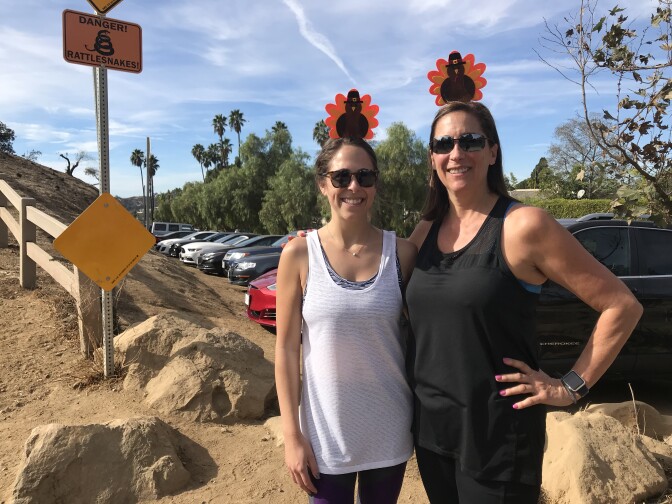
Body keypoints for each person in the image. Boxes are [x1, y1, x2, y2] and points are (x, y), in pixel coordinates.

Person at [405, 101, 643, 503]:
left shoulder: (524, 226)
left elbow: (622, 305)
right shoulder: (425, 230)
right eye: (444, 143)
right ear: (432, 158)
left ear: (493, 151)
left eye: (471, 141)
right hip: (432, 434)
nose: (457, 153)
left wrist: (570, 387)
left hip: (499, 442)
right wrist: (318, 247)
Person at [275, 137, 418, 504]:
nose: (353, 187)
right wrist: (292, 436)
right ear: (323, 184)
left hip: (389, 430)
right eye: (341, 177)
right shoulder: (298, 255)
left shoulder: (402, 254)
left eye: (365, 177)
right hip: (325, 438)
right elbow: (287, 350)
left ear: (375, 184)